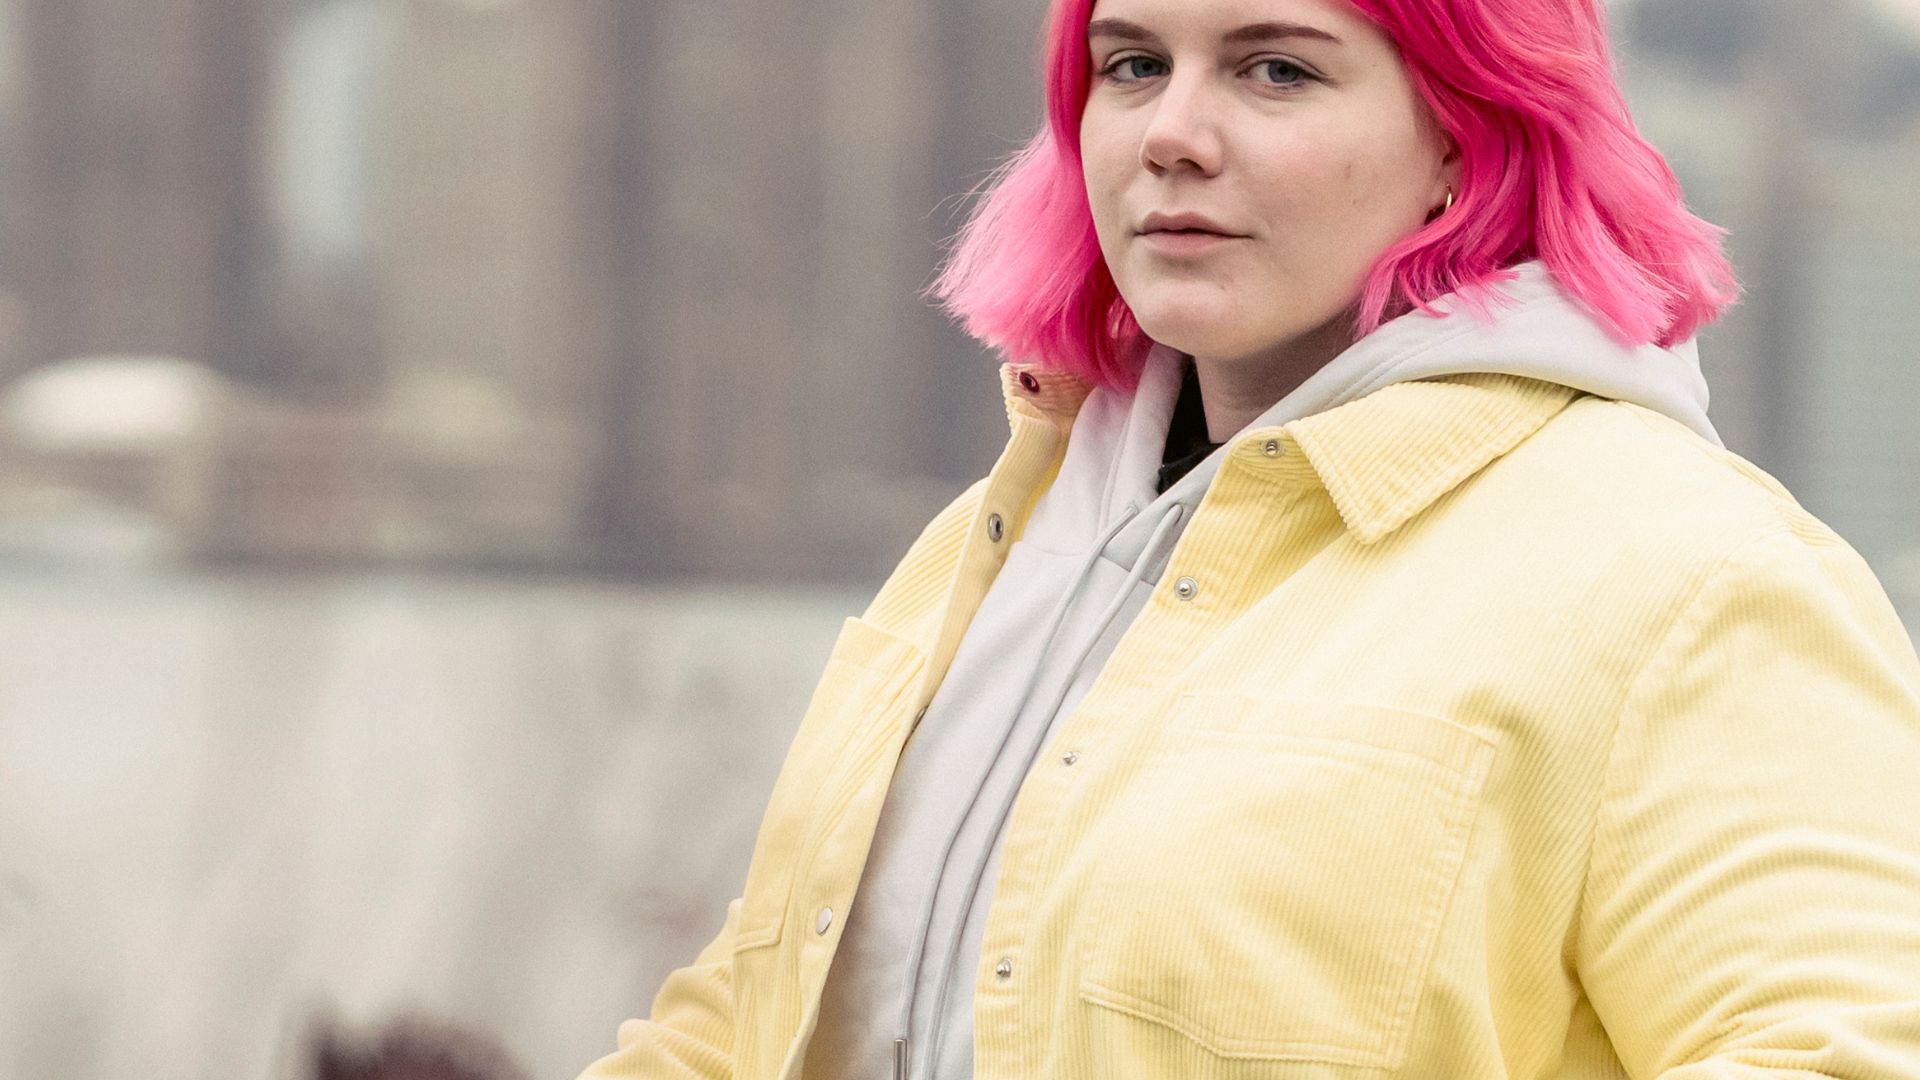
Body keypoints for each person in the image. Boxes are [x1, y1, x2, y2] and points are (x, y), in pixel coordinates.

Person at [578, 0, 1920, 1076]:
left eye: (1275, 69)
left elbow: (1842, 1052)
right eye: (1131, 63)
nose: (1172, 132)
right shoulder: (1010, 533)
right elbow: (747, 1024)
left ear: (1467, 133)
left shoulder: (1689, 575)